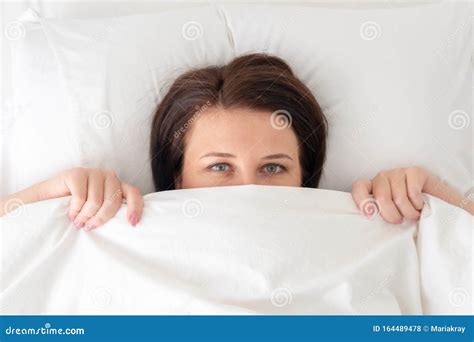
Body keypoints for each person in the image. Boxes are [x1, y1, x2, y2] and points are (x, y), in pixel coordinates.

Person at [1, 54, 472, 229]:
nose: (249, 188)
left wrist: (440, 203)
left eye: (273, 168)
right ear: (176, 178)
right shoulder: (115, 231)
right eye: (220, 166)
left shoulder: (369, 228)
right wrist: (37, 199)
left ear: (305, 179)